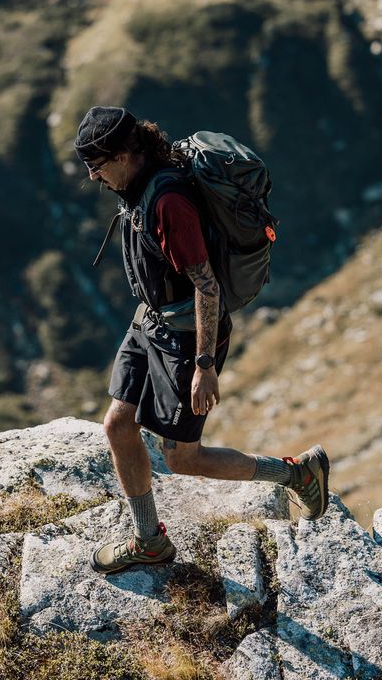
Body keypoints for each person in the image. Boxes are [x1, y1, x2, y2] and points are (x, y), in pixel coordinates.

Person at [74, 106, 329, 574]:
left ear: (126, 154)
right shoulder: (137, 181)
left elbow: (207, 285)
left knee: (183, 458)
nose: (92, 176)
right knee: (117, 425)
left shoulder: (168, 202)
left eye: (97, 164)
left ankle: (297, 472)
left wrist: (204, 365)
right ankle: (149, 539)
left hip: (186, 337)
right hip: (149, 322)